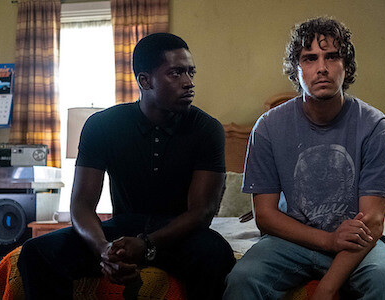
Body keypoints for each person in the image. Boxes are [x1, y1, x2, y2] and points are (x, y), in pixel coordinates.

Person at [18, 33, 235, 300]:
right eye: (176, 73)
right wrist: (104, 249)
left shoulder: (207, 129)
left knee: (217, 255)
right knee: (35, 251)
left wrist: (145, 245)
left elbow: (202, 212)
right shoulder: (103, 125)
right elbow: (82, 205)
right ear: (145, 80)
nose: (189, 83)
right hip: (123, 227)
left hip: (181, 234)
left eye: (191, 72)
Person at [223, 17, 385, 300]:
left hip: (356, 245)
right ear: (296, 69)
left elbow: (373, 222)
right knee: (241, 280)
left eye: (332, 57)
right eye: (310, 58)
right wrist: (328, 239)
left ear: (346, 65)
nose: (322, 68)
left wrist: (326, 289)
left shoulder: (375, 127)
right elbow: (265, 216)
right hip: (288, 241)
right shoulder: (267, 128)